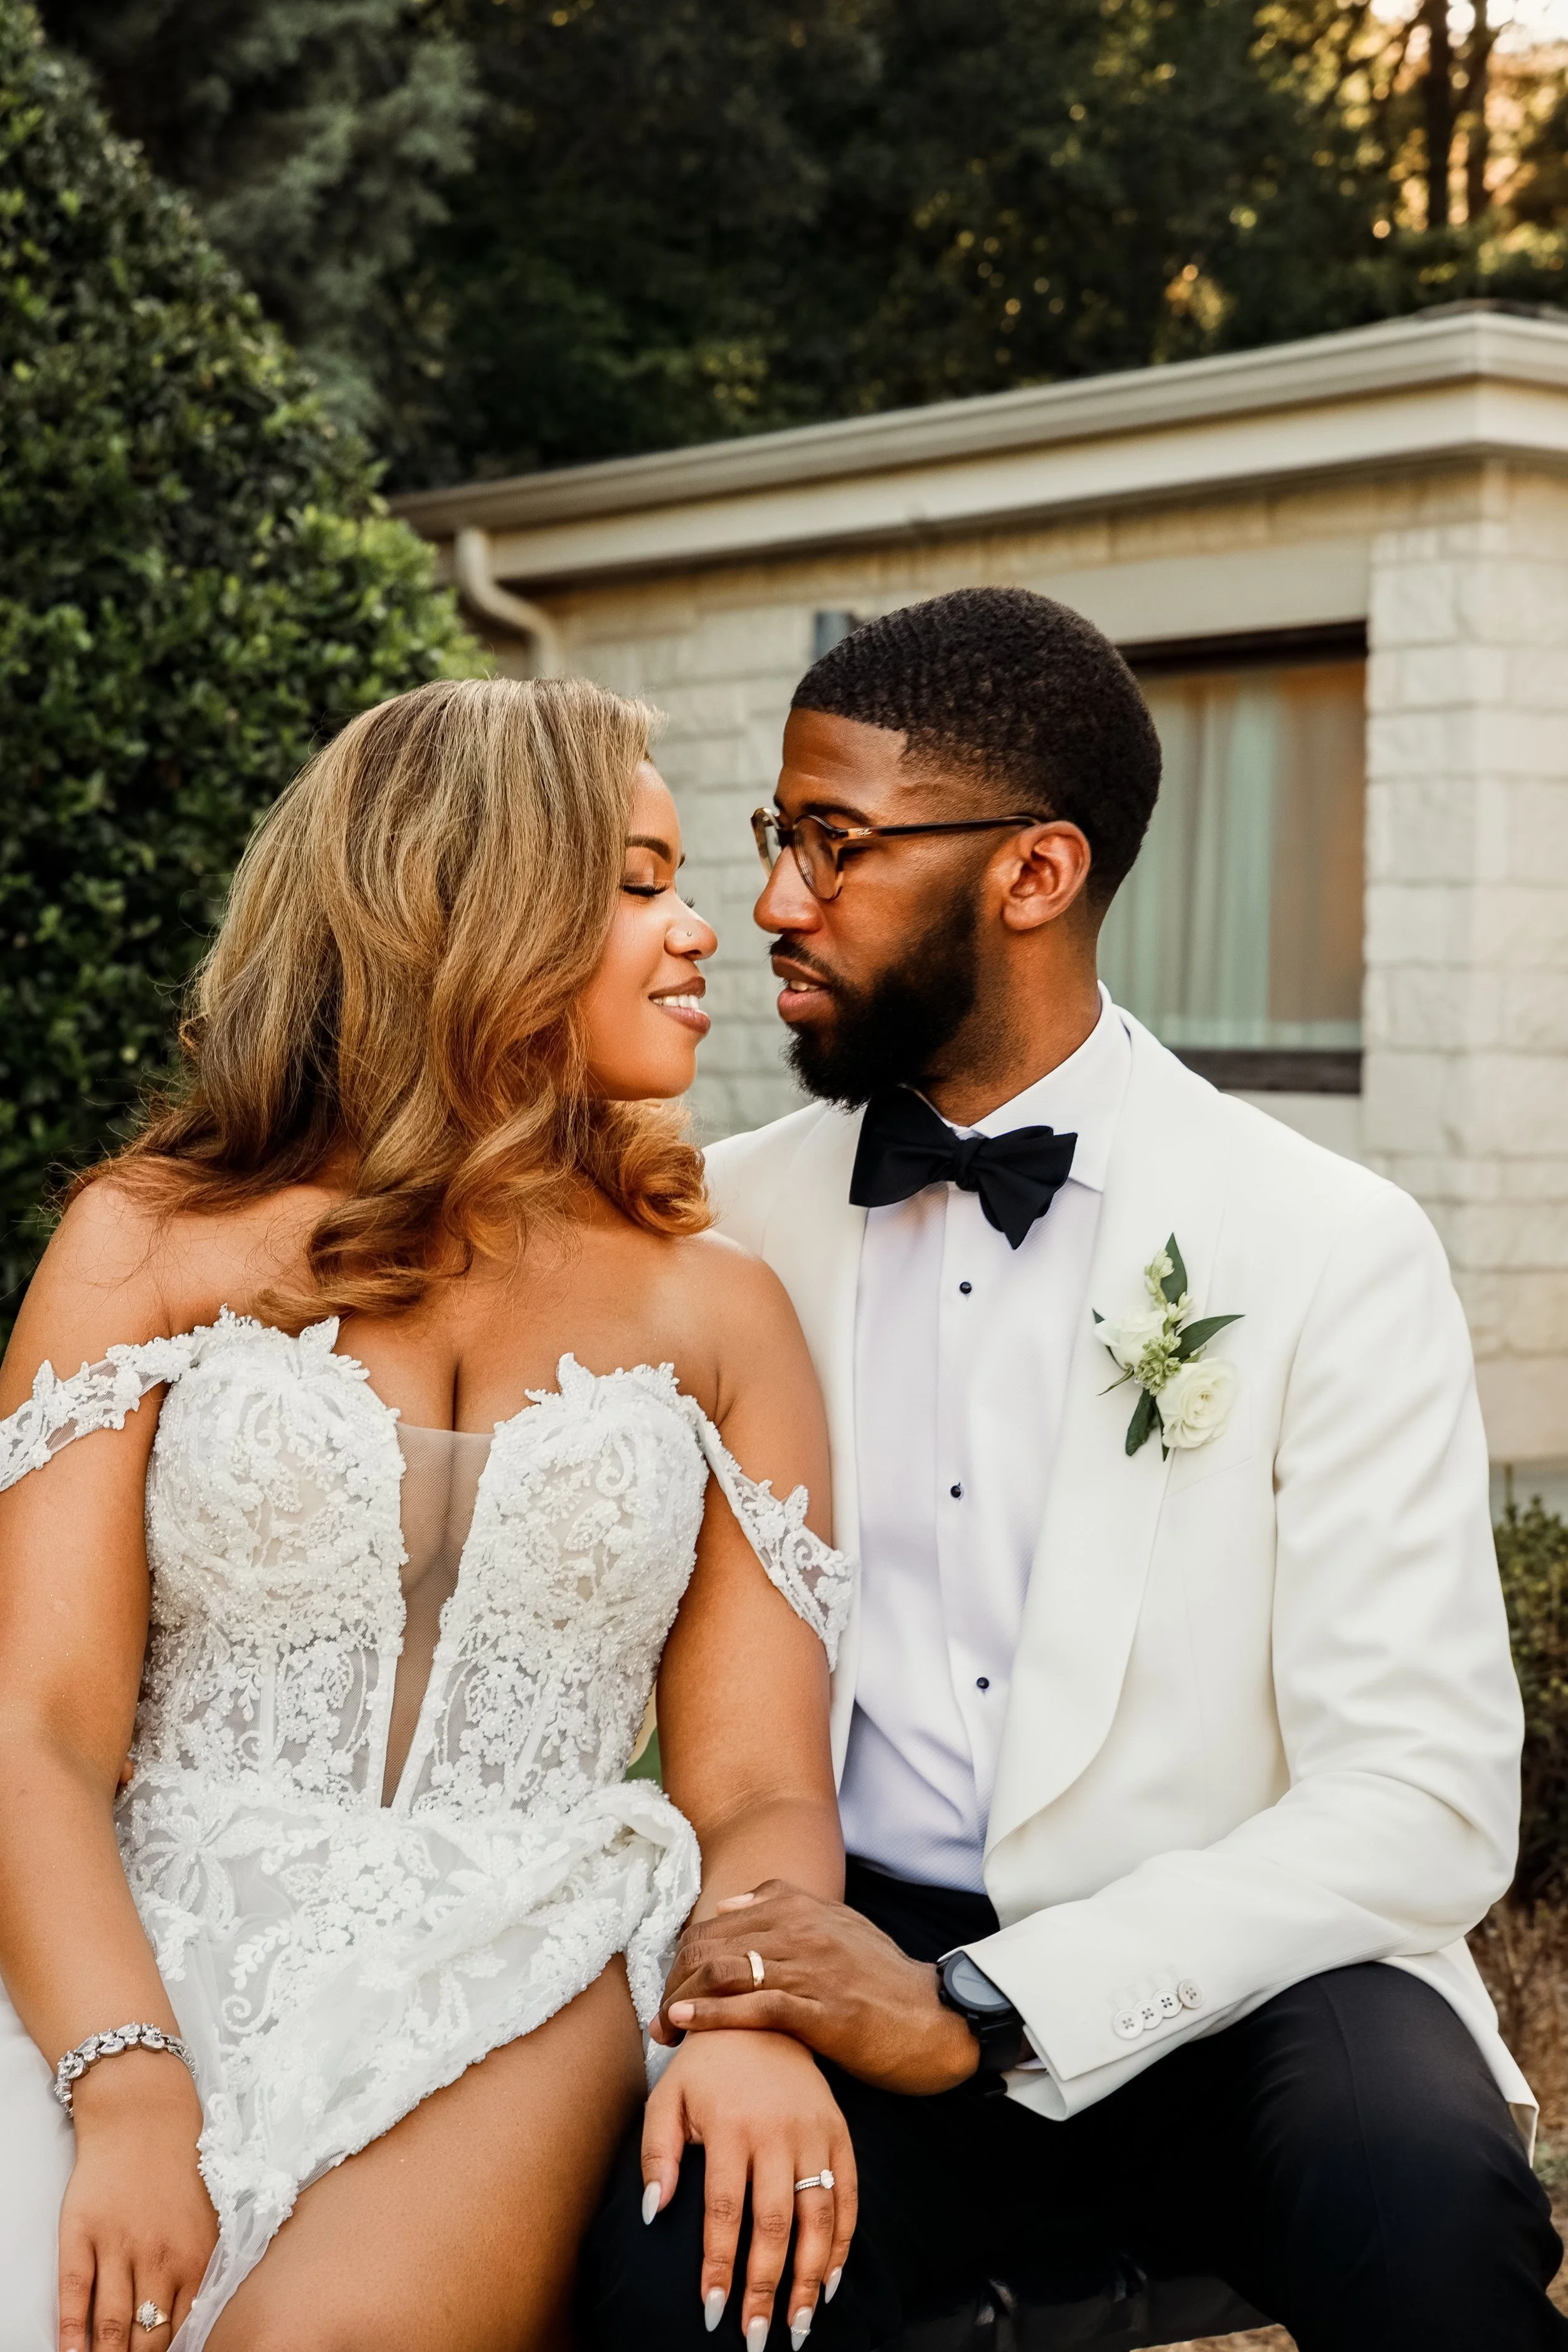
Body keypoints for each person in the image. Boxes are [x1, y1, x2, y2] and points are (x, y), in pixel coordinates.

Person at [581, 588, 1567, 2351]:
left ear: (1034, 873)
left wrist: (986, 2002)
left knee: (1424, 2209)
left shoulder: (1325, 1241)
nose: (778, 901)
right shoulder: (724, 1225)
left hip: (1243, 1979)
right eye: (777, 836)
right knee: (683, 2268)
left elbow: (1421, 1793)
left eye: (836, 843)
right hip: (845, 1947)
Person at [0, 676, 859, 2352]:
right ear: (471, 907)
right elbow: (36, 1729)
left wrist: (756, 2020)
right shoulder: (145, 1242)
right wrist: (126, 2085)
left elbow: (758, 1785)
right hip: (126, 1944)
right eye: (639, 882)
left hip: (529, 1953)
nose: (701, 930)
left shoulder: (722, 1312)